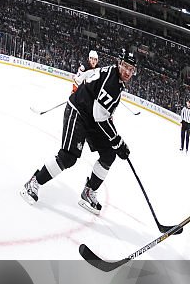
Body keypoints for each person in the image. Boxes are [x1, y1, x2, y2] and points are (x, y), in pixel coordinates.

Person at [21, 49, 137, 215]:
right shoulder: (112, 83)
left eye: (131, 69)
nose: (127, 71)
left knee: (109, 154)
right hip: (79, 112)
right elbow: (100, 117)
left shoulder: (113, 76)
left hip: (91, 117)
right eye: (125, 66)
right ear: (119, 63)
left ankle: (88, 192)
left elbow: (103, 112)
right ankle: (34, 182)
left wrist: (115, 142)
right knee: (68, 156)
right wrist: (117, 140)